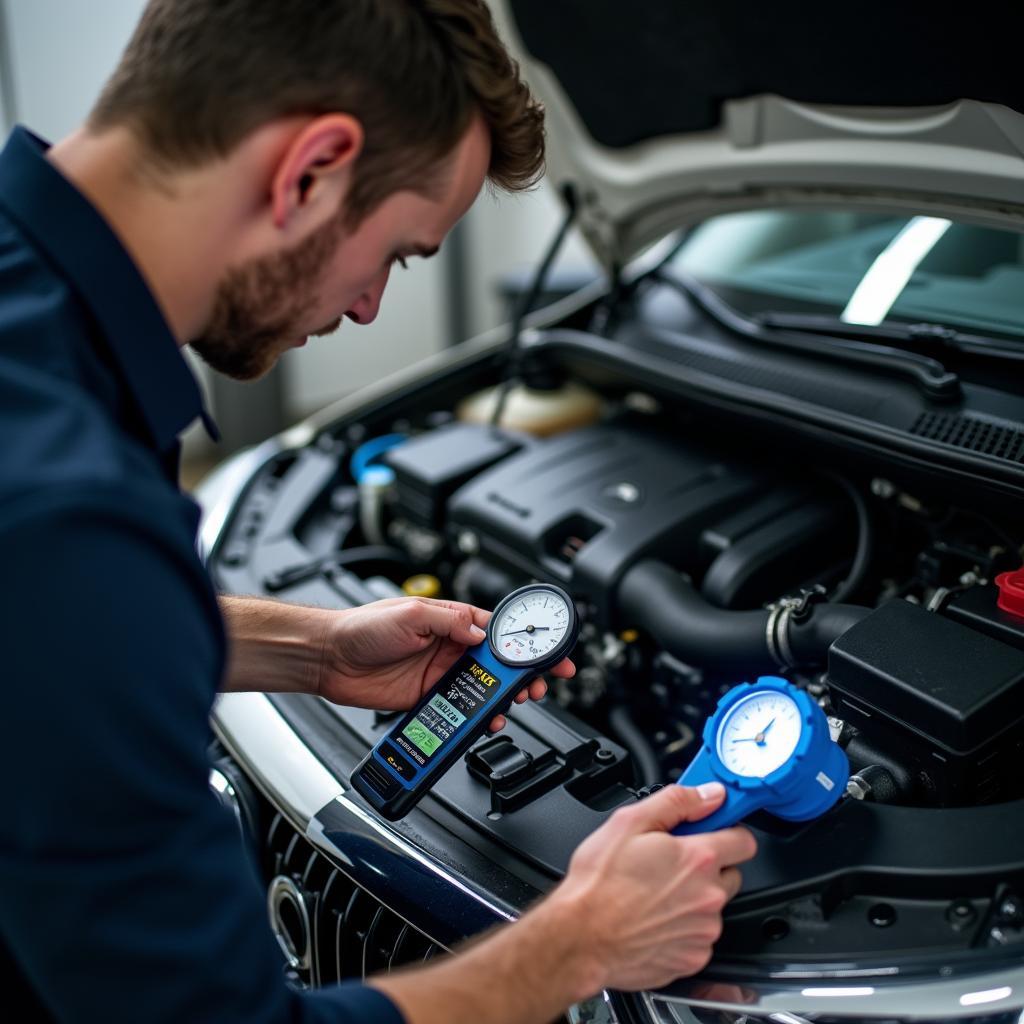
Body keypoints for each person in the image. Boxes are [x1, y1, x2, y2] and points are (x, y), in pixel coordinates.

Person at [0, 1, 757, 1021]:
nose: (365, 308)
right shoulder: (71, 507)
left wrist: (313, 651)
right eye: (399, 252)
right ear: (311, 168)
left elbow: (45, 637)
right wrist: (577, 944)